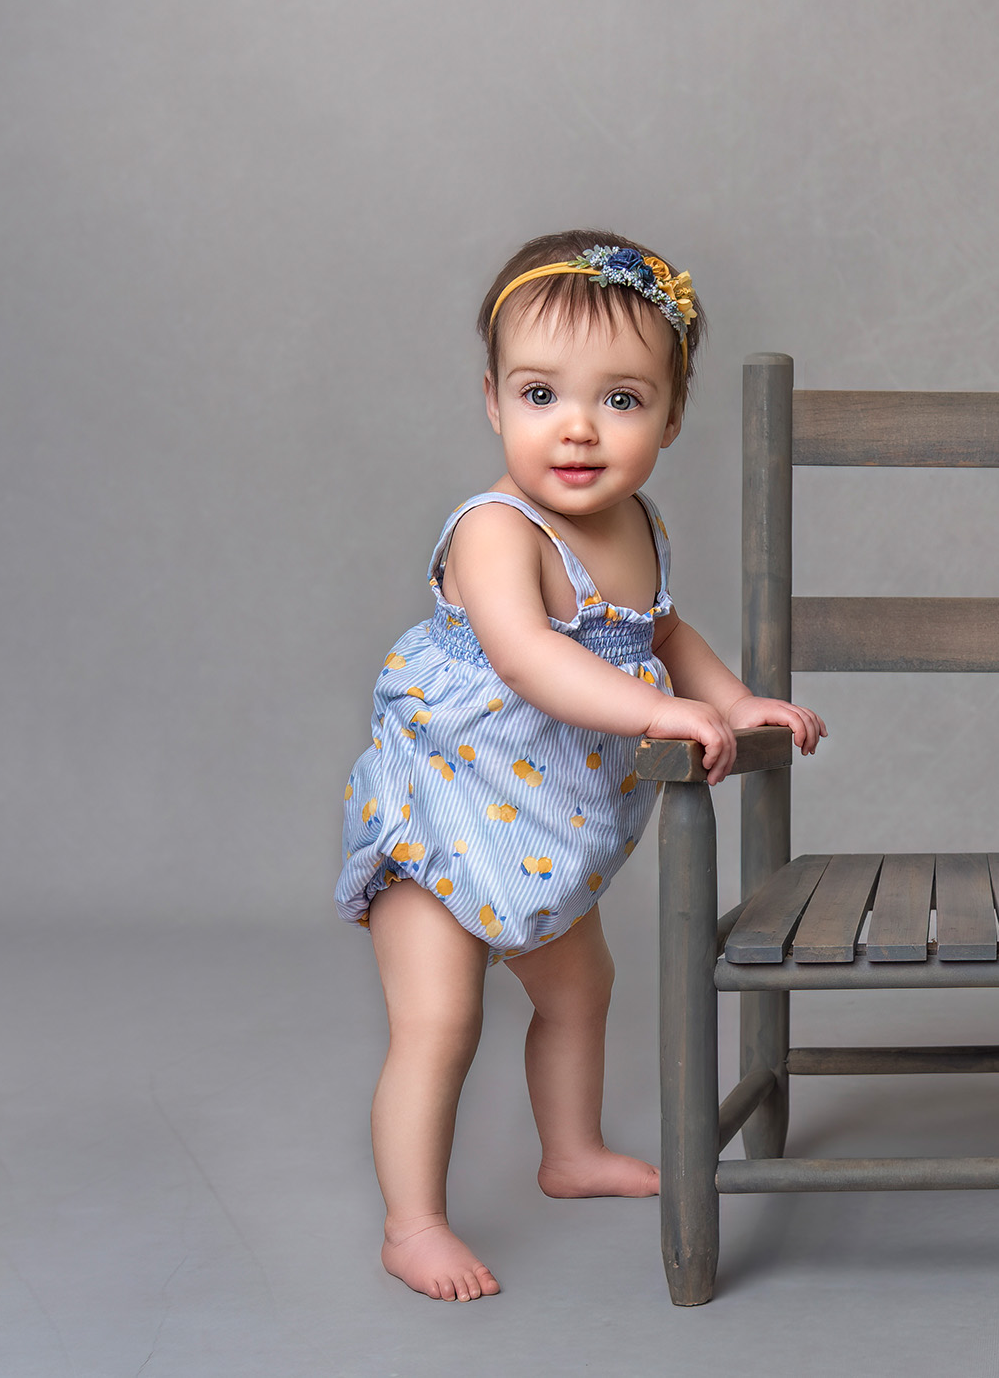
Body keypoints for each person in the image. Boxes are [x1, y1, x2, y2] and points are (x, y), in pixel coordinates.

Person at [336, 231, 826, 1301]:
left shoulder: (636, 525)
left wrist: (734, 699)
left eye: (621, 400)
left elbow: (659, 630)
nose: (576, 427)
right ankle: (411, 1223)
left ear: (670, 416)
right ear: (491, 400)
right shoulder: (493, 532)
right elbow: (533, 659)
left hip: (546, 826)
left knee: (580, 992)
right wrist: (667, 712)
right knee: (440, 1021)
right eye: (540, 392)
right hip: (443, 811)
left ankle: (570, 1152)